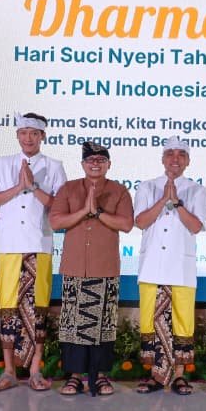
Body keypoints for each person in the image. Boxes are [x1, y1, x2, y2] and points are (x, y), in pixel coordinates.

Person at [0, 113, 67, 392]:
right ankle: (9, 371)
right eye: (23, 133)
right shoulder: (3, 163)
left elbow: (60, 207)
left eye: (34, 133)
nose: (28, 138)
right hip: (9, 246)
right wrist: (19, 187)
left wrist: (33, 188)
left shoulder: (54, 166)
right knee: (9, 307)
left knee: (37, 308)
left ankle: (34, 370)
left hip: (39, 245)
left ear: (43, 136)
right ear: (17, 136)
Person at [49, 141, 133, 397]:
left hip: (105, 268)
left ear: (109, 164)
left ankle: (101, 376)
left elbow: (126, 224)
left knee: (104, 326)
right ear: (83, 164)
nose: (95, 164)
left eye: (100, 160)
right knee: (72, 325)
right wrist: (84, 210)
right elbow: (56, 222)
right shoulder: (69, 188)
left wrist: (97, 213)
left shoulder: (119, 190)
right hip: (75, 266)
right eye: (90, 160)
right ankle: (75, 377)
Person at [133, 136, 206, 396]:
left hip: (181, 268)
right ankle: (154, 376)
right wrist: (163, 198)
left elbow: (195, 226)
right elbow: (141, 222)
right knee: (151, 321)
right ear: (163, 159)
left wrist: (176, 202)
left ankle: (178, 376)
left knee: (181, 322)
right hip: (152, 266)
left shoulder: (196, 190)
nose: (175, 159)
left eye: (181, 155)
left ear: (188, 161)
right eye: (170, 154)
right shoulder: (147, 187)